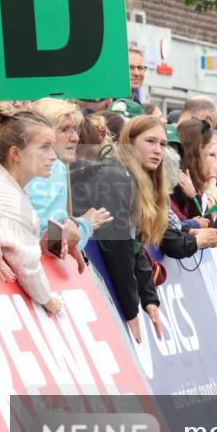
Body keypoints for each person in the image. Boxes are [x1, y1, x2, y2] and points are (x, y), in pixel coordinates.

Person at [71, 115, 167, 342]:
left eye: (163, 144)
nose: (158, 150)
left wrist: (149, 297)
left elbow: (133, 243)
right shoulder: (114, 176)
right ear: (129, 142)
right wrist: (131, 309)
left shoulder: (131, 178)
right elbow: (118, 246)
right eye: (150, 141)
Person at [0, 110, 64, 315]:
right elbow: (26, 263)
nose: (53, 156)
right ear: (15, 154)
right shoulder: (10, 198)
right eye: (45, 147)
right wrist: (49, 299)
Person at [25, 98, 113, 271]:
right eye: (65, 129)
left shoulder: (53, 166)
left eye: (74, 129)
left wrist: (72, 223)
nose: (75, 137)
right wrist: (86, 224)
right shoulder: (46, 169)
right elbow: (51, 244)